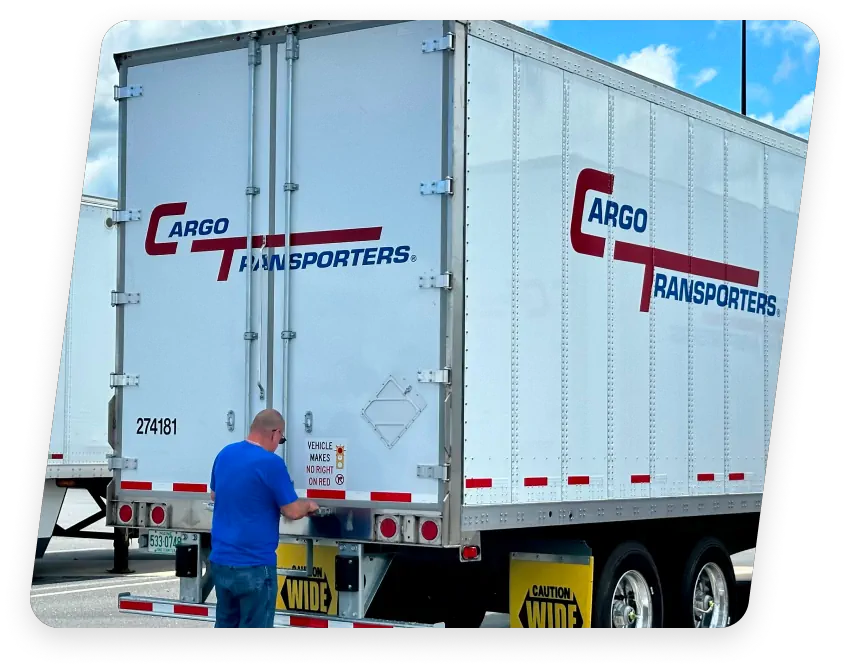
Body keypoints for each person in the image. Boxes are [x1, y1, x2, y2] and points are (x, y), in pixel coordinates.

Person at [209, 408, 319, 628]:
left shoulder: (225, 453)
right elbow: (292, 511)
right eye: (282, 438)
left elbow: (214, 494)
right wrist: (309, 504)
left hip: (221, 561)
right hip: (254, 565)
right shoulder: (271, 463)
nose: (279, 443)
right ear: (275, 433)